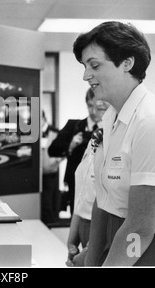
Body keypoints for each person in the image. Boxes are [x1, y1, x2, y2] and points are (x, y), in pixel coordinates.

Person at [73, 21, 155, 266]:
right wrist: (91, 258)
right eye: (85, 67)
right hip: (118, 240)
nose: (86, 76)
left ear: (127, 63)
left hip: (149, 249)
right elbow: (104, 199)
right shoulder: (111, 119)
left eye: (94, 65)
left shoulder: (152, 122)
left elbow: (140, 228)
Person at [66, 100, 109, 267]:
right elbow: (83, 190)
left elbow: (115, 205)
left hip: (101, 234)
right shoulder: (96, 139)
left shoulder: (122, 144)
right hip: (84, 225)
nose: (99, 105)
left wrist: (88, 252)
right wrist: (72, 240)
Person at [48, 88, 104, 216]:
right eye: (90, 106)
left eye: (98, 107)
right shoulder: (74, 126)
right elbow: (52, 150)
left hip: (101, 186)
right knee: (77, 222)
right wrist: (71, 144)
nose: (94, 111)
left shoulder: (110, 127)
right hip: (77, 186)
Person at [41, 111, 64, 225]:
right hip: (36, 173)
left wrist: (54, 162)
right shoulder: (31, 132)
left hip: (50, 172)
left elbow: (63, 150)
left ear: (43, 118)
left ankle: (49, 225)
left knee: (48, 201)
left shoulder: (55, 132)